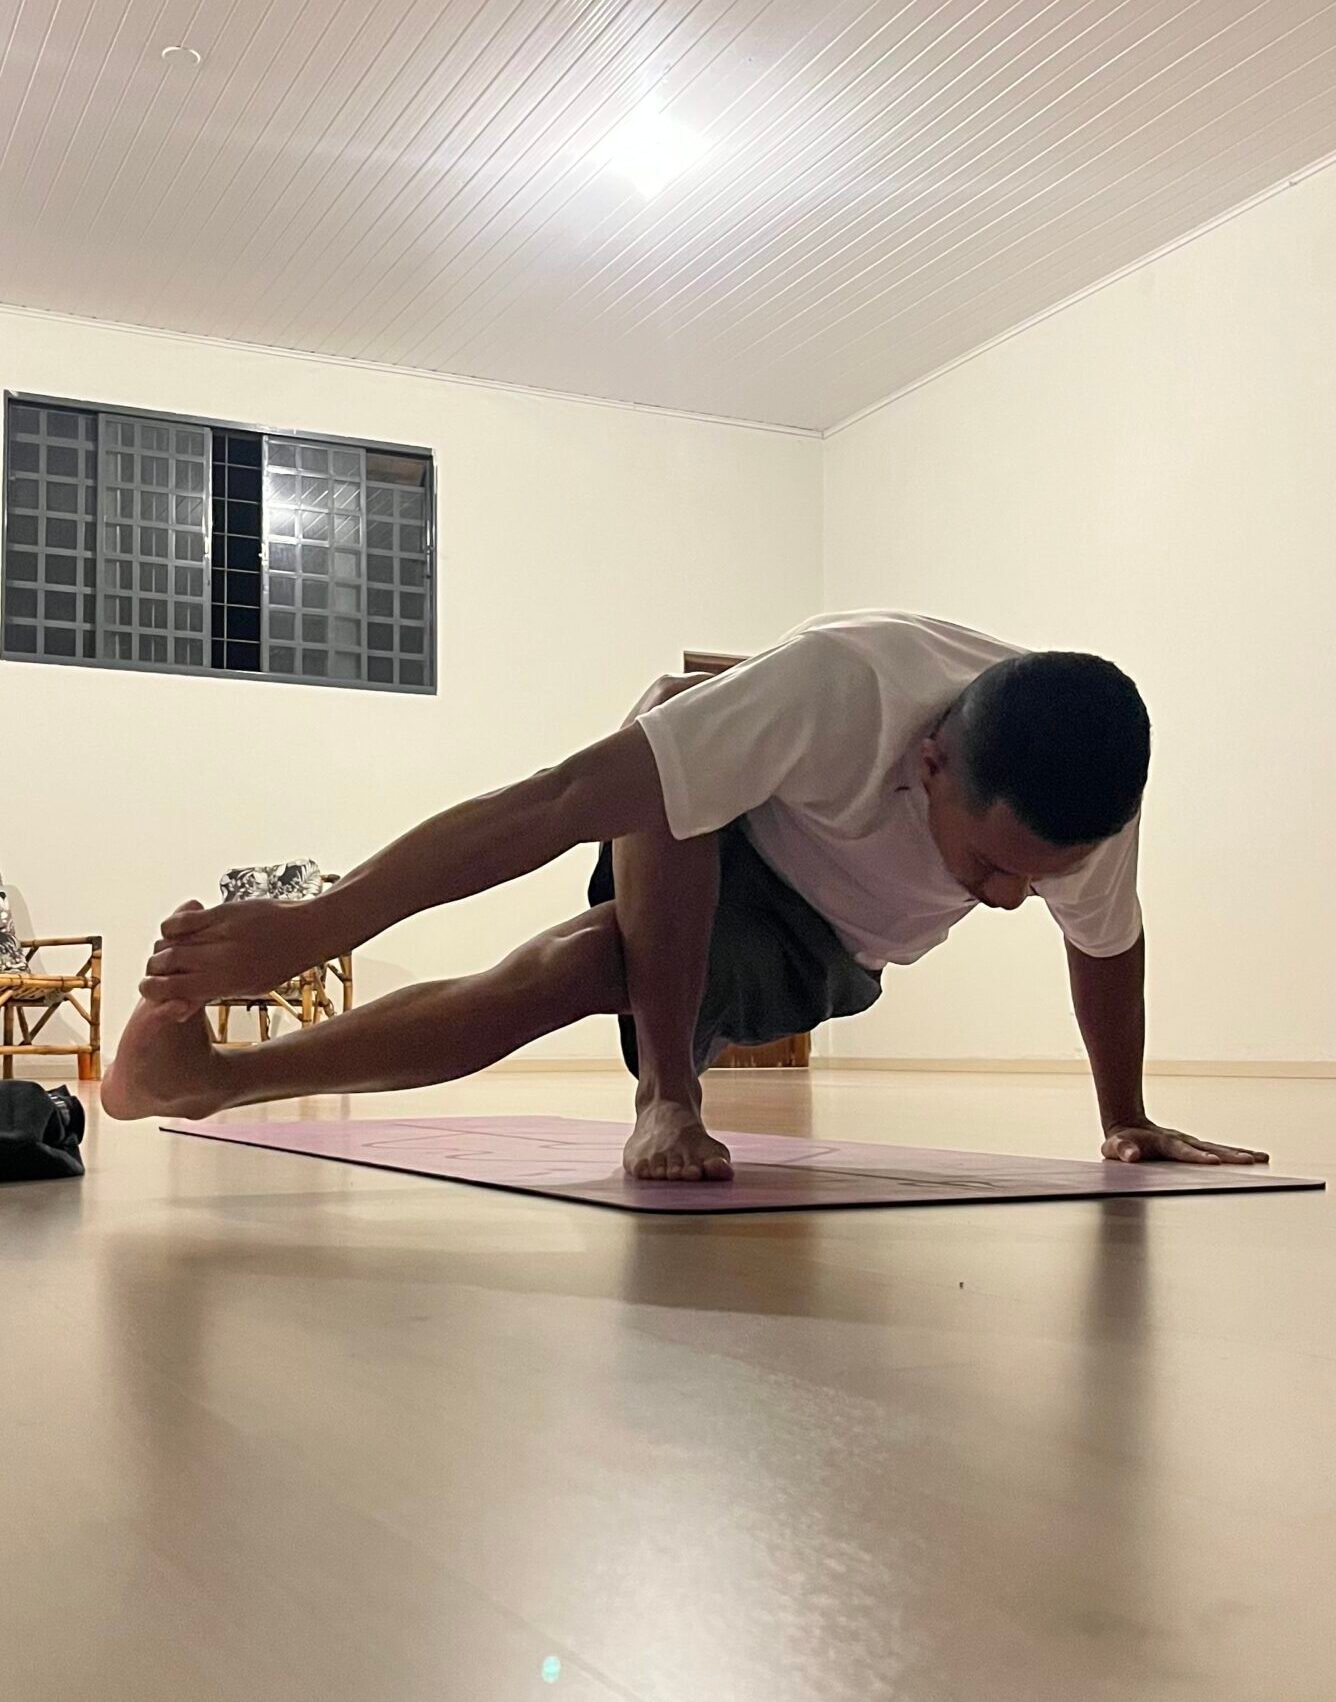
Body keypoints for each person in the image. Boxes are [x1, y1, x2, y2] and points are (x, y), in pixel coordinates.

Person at [103, 611, 1268, 1178]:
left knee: (581, 963)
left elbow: (1107, 950)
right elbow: (553, 799)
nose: (1012, 901)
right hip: (710, 852)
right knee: (666, 736)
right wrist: (312, 926)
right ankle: (668, 1092)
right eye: (993, 866)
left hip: (820, 953)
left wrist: (1125, 1117)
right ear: (929, 762)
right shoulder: (842, 686)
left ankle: (205, 1081)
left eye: (1039, 877)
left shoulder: (1090, 806)